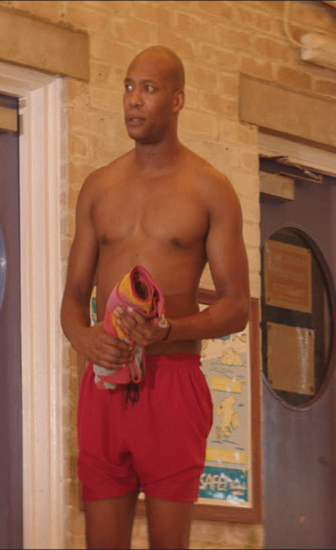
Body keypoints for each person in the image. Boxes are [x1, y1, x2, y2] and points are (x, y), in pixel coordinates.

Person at [60, 45, 251, 549]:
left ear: (177, 100)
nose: (134, 99)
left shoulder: (210, 189)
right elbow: (73, 298)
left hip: (173, 381)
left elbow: (236, 306)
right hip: (105, 382)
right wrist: (84, 338)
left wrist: (170, 331)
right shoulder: (99, 187)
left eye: (149, 88)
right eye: (128, 87)